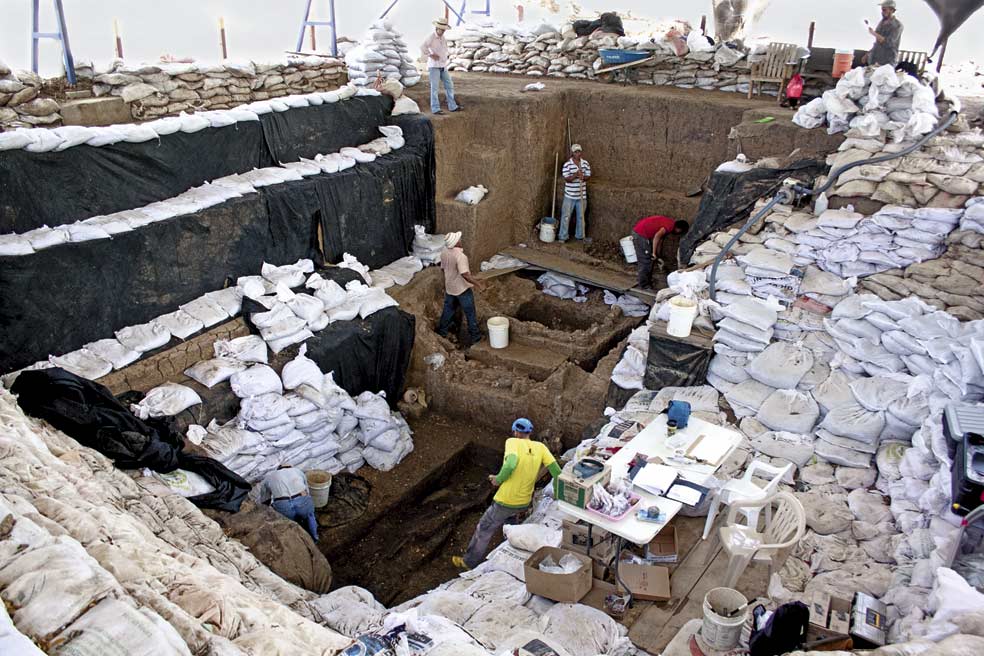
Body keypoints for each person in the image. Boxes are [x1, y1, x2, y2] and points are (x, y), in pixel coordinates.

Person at [453, 418, 561, 569]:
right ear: (529, 433)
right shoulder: (541, 447)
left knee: (484, 528)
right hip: (524, 501)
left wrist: (498, 479)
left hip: (506, 500)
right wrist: (558, 491)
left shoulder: (512, 442)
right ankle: (506, 552)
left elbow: (510, 464)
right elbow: (557, 471)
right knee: (511, 524)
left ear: (516, 432)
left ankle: (468, 562)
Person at [436, 231, 483, 345]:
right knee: (470, 313)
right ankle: (475, 337)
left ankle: (441, 332)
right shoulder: (461, 256)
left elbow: (443, 269)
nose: (461, 240)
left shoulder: (444, 252)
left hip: (450, 288)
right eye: (459, 239)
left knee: (448, 310)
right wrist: (478, 284)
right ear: (457, 242)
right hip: (462, 289)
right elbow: (465, 275)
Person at [257, 465, 318, 542]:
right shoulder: (297, 471)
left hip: (283, 504)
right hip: (302, 501)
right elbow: (307, 491)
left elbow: (265, 500)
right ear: (289, 467)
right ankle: (315, 537)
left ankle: (299, 541)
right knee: (310, 516)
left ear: (278, 469)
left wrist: (266, 510)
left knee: (289, 524)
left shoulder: (269, 477)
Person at [632, 215, 690, 290]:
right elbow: (657, 236)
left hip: (641, 232)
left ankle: (647, 282)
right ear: (678, 229)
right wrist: (653, 253)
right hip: (640, 234)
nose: (678, 233)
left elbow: (660, 240)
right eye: (680, 232)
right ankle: (644, 285)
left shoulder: (669, 224)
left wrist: (658, 254)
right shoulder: (669, 226)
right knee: (645, 261)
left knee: (648, 260)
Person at [421, 17, 460, 115]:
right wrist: (430, 55)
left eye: (444, 30)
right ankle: (435, 108)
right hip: (434, 66)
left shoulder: (443, 38)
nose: (443, 31)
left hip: (443, 65)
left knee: (449, 85)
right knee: (434, 88)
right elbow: (422, 47)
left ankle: (452, 106)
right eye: (441, 29)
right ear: (437, 28)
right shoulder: (431, 37)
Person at [559, 144, 591, 243]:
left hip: (582, 196)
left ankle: (580, 236)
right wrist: (576, 175)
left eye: (579, 151)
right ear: (572, 153)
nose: (578, 153)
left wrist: (583, 177)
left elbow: (588, 176)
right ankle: (563, 237)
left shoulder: (585, 163)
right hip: (569, 196)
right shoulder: (567, 164)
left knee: (581, 217)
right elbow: (567, 179)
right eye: (576, 152)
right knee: (566, 216)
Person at [864, 0, 903, 67]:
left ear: (892, 10)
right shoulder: (881, 23)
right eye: (882, 10)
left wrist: (874, 33)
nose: (882, 12)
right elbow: (877, 41)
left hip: (887, 61)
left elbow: (888, 43)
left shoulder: (897, 25)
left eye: (884, 10)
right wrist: (868, 54)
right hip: (874, 59)